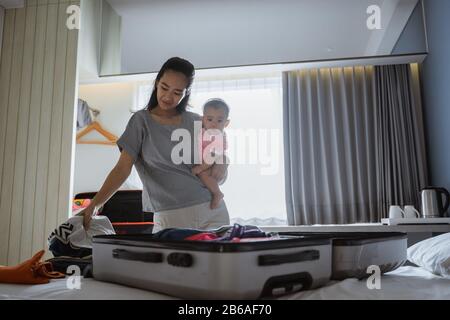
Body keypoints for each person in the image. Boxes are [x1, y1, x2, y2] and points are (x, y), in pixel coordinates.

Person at [81, 57, 230, 233]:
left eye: (177, 92)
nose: (168, 97)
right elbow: (122, 169)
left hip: (211, 211)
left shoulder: (196, 121)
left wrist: (223, 159)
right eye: (164, 87)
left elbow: (217, 156)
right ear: (156, 83)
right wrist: (95, 203)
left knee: (219, 261)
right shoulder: (141, 121)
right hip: (170, 216)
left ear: (185, 93)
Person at [191, 99, 230, 209]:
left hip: (210, 163)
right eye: (210, 119)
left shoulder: (219, 136)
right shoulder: (203, 130)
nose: (214, 124)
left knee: (203, 174)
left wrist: (201, 167)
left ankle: (217, 193)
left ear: (226, 123)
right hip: (204, 160)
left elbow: (213, 155)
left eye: (219, 121)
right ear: (203, 119)